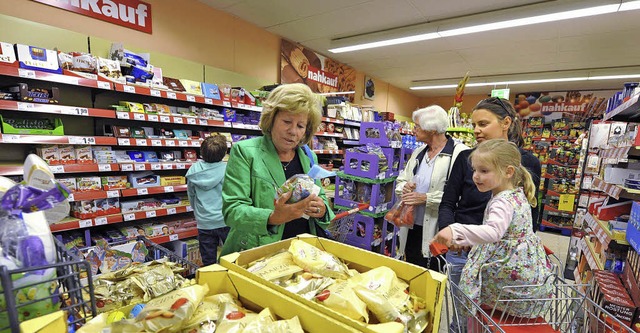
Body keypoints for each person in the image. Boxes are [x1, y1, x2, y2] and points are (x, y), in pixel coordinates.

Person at [432, 139, 552, 318]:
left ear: (508, 172)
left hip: (507, 271)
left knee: (473, 284)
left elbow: (494, 232)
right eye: (474, 170)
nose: (476, 176)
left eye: (484, 171)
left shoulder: (502, 202)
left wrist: (455, 230)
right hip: (524, 268)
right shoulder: (517, 193)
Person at [220, 83, 334, 256]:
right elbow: (232, 210)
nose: (293, 131)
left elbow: (321, 197)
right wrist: (273, 217)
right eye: (287, 121)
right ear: (271, 119)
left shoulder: (308, 156)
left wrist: (321, 209)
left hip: (301, 251)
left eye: (300, 126)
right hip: (260, 253)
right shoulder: (245, 152)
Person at [438, 96, 542, 283]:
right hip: (463, 251)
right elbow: (447, 203)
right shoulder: (465, 158)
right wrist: (450, 235)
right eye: (474, 124)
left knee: (494, 310)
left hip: (503, 260)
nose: (476, 130)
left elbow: (531, 214)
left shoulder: (527, 162)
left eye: (483, 124)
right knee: (463, 309)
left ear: (506, 123)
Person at [395, 105, 469, 270]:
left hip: (439, 229)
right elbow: (401, 180)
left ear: (432, 129)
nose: (414, 130)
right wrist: (404, 188)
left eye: (418, 126)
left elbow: (462, 197)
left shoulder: (459, 153)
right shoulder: (418, 152)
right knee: (412, 268)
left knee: (433, 274)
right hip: (412, 225)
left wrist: (426, 198)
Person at [186, 134, 230, 266]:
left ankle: (212, 282)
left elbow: (191, 195)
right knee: (231, 257)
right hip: (225, 220)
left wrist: (198, 212)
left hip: (204, 221)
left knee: (208, 260)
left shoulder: (194, 170)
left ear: (201, 152)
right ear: (223, 154)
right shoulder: (228, 169)